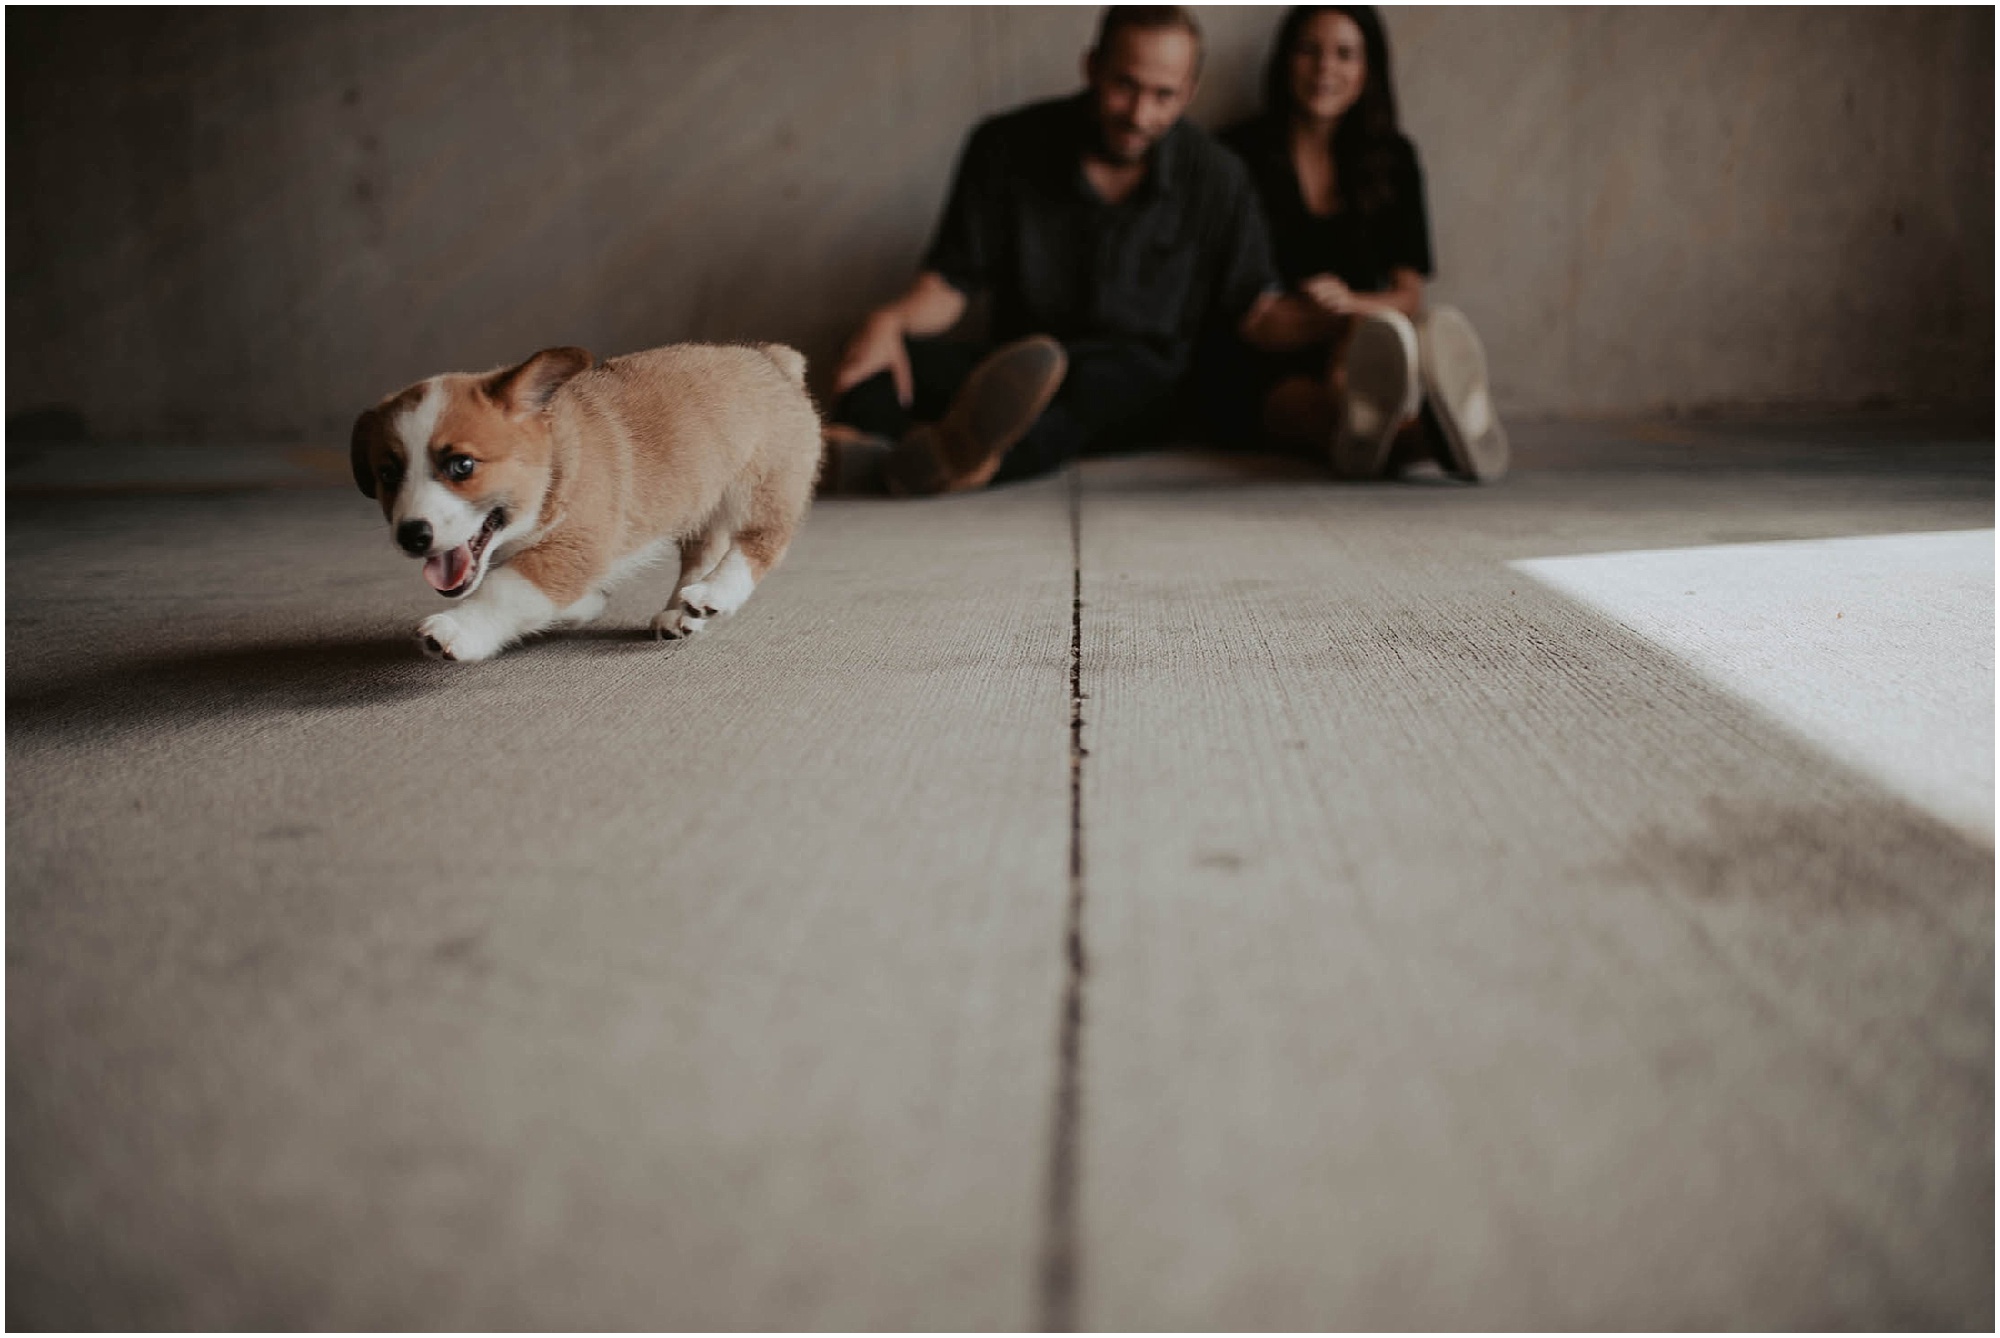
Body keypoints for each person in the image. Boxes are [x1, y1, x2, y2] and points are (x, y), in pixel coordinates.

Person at [823, 6, 1340, 496]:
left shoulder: (1218, 176)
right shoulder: (1004, 146)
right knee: (888, 357)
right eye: (1124, 86)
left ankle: (976, 463)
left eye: (1164, 95)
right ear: (1092, 67)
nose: (1139, 114)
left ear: (1190, 92)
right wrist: (887, 322)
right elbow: (948, 285)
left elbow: (1255, 313)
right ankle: (874, 450)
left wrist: (1339, 316)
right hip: (1020, 363)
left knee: (1094, 391)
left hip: (1139, 382)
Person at [1209, 5, 1509, 481]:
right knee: (1299, 402)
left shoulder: (1394, 159)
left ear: (1367, 69)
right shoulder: (1235, 156)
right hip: (1262, 355)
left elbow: (1410, 294)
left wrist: (1349, 303)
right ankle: (1432, 435)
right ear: (1285, 59)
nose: (1325, 68)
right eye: (1310, 51)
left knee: (1372, 332)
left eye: (1345, 54)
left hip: (1358, 343)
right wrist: (1320, 311)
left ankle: (1380, 421)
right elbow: (1245, 316)